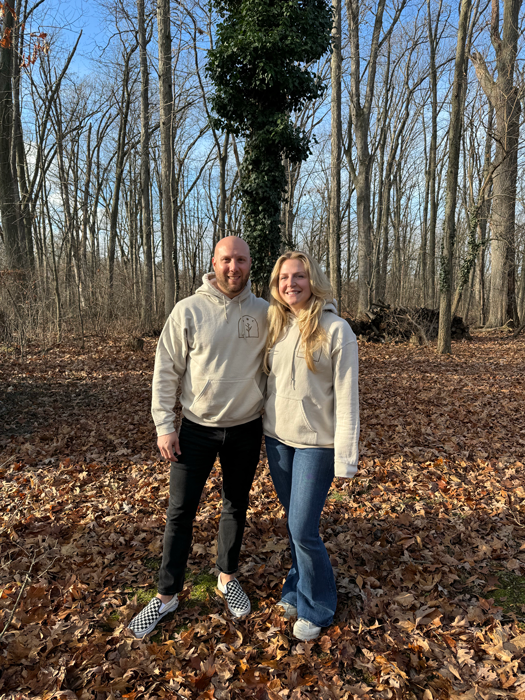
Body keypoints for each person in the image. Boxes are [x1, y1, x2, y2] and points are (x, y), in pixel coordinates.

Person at [128, 236, 268, 639]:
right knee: (180, 512)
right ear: (214, 262)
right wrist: (164, 426)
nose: (233, 267)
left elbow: (302, 321)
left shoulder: (263, 312)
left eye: (241, 259)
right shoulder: (188, 311)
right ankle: (167, 595)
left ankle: (227, 578)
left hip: (245, 428)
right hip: (196, 430)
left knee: (235, 505)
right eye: (227, 259)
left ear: (249, 263)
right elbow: (166, 370)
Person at [263, 251, 359, 641]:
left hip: (316, 445)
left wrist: (346, 458)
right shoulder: (278, 326)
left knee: (303, 527)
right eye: (284, 278)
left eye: (299, 276)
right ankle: (295, 586)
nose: (291, 284)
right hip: (277, 441)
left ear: (312, 280)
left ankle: (318, 605)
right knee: (293, 523)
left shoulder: (337, 330)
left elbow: (348, 398)